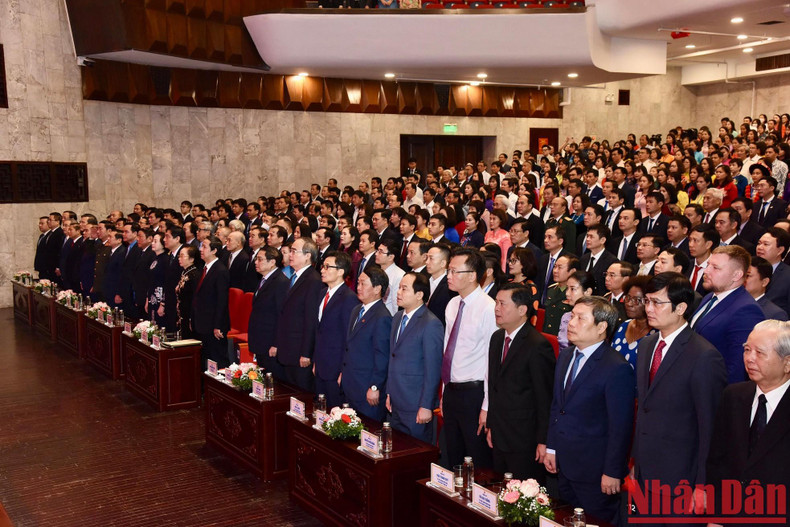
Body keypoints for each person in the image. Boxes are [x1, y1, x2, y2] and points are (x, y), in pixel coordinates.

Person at [632, 272, 728, 520]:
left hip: (680, 479)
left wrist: (703, 485)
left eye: (657, 303)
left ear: (681, 307)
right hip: (645, 474)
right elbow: (644, 408)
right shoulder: (646, 346)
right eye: (647, 301)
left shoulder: (704, 355)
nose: (649, 309)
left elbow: (710, 427)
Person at [544, 297, 635, 525]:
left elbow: (620, 426)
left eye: (580, 318)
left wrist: (613, 471)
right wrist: (552, 447)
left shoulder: (616, 368)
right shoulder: (566, 356)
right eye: (572, 315)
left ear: (602, 327)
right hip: (563, 463)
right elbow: (558, 406)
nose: (571, 323)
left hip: (595, 471)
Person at [706, 320, 790, 519]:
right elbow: (718, 463)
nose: (749, 359)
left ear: (787, 363)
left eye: (759, 353)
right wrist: (718, 517)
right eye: (746, 350)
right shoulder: (734, 396)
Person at [486, 283, 555, 481]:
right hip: (499, 433)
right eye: (496, 303)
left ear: (522, 310)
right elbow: (494, 386)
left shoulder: (537, 345)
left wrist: (543, 441)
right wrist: (491, 425)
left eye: (502, 303)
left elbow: (545, 398)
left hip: (524, 440)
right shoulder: (497, 338)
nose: (496, 308)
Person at [442, 249, 499, 468]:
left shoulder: (488, 308)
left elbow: (490, 361)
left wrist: (487, 406)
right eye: (449, 270)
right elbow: (448, 351)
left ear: (473, 275)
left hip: (474, 394)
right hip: (452, 391)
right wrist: (444, 388)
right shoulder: (452, 304)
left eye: (454, 271)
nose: (449, 275)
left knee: (476, 458)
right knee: (452, 455)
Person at [692, 245, 766, 383]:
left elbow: (737, 367)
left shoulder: (747, 310)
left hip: (711, 391)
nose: (706, 271)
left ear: (736, 275)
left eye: (716, 267)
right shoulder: (710, 297)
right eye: (708, 265)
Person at [386, 273, 444, 443]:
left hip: (415, 403)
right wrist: (389, 391)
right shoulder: (397, 317)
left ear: (419, 295)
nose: (398, 292)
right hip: (396, 400)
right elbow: (393, 357)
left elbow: (433, 368)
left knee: (414, 453)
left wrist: (426, 405)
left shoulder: (431, 323)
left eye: (405, 289)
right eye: (399, 287)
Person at [341, 266, 392, 421]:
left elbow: (382, 356)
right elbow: (349, 346)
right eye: (358, 283)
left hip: (367, 388)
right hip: (351, 383)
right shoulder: (357, 310)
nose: (358, 287)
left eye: (363, 284)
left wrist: (375, 386)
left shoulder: (382, 316)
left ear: (377, 289)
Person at [313, 252, 360, 410]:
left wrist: (343, 371)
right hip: (321, 365)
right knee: (321, 411)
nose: (322, 270)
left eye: (328, 267)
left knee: (335, 412)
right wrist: (316, 361)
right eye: (322, 266)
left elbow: (349, 338)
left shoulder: (349, 298)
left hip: (335, 368)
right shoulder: (321, 293)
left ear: (341, 271)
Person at [247, 246, 290, 379]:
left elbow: (281, 316)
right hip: (260, 339)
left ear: (272, 262)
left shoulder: (280, 282)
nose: (256, 262)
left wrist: (276, 344)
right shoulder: (264, 279)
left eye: (260, 259)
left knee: (273, 380)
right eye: (256, 259)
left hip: (270, 342)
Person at [191, 236, 231, 369]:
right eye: (201, 246)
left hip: (214, 324)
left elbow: (222, 300)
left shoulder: (220, 270)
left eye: (204, 247)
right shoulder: (204, 268)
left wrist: (218, 325)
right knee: (205, 357)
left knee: (216, 358)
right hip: (202, 322)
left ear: (214, 250)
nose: (201, 249)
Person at [610, 276, 656, 370]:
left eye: (637, 300)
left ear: (649, 302)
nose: (629, 304)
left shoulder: (656, 333)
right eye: (628, 298)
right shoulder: (624, 326)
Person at [557, 271, 595, 349]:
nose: (567, 293)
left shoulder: (595, 319)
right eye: (567, 288)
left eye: (572, 289)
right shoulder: (566, 317)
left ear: (587, 292)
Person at [543, 254, 579, 335]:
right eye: (555, 266)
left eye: (560, 267)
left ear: (572, 271)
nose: (555, 270)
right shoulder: (551, 290)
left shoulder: (575, 294)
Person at [745, 256, 789, 321]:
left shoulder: (774, 314)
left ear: (764, 282)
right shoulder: (732, 301)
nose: (743, 279)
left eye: (748, 276)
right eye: (742, 275)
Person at [578, 224, 617, 295]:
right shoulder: (584, 258)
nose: (587, 239)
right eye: (587, 236)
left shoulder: (612, 261)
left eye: (591, 237)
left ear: (602, 240)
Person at [175, 244, 200, 339]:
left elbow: (194, 298)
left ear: (191, 259)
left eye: (182, 256)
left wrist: (191, 318)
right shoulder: (185, 272)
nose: (179, 258)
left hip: (189, 314)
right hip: (181, 313)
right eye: (179, 256)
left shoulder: (194, 275)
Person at [375, 237, 405, 316]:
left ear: (391, 257)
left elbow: (396, 305)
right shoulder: (377, 272)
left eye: (380, 252)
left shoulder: (399, 275)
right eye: (377, 250)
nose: (376, 254)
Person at [146, 232, 169, 326]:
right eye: (152, 241)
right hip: (152, 297)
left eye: (155, 241)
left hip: (159, 298)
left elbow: (165, 282)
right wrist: (147, 299)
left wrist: (162, 304)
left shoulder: (166, 259)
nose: (152, 243)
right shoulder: (155, 258)